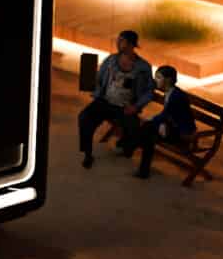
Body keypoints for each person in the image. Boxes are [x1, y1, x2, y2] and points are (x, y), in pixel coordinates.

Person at [79, 29, 153, 168]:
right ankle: (87, 154)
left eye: (121, 40)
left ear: (131, 44)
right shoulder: (111, 60)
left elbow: (149, 91)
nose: (117, 43)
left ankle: (127, 146)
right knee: (84, 118)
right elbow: (99, 79)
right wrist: (90, 82)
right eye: (117, 40)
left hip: (126, 107)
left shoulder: (143, 67)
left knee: (135, 130)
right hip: (105, 101)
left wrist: (136, 106)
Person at [132, 65, 198, 179]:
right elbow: (168, 115)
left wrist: (154, 121)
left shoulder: (176, 96)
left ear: (168, 80)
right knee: (148, 132)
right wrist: (159, 123)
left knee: (147, 130)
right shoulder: (171, 92)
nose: (155, 80)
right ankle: (142, 167)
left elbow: (166, 115)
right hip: (172, 128)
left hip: (183, 135)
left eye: (158, 77)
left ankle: (134, 152)